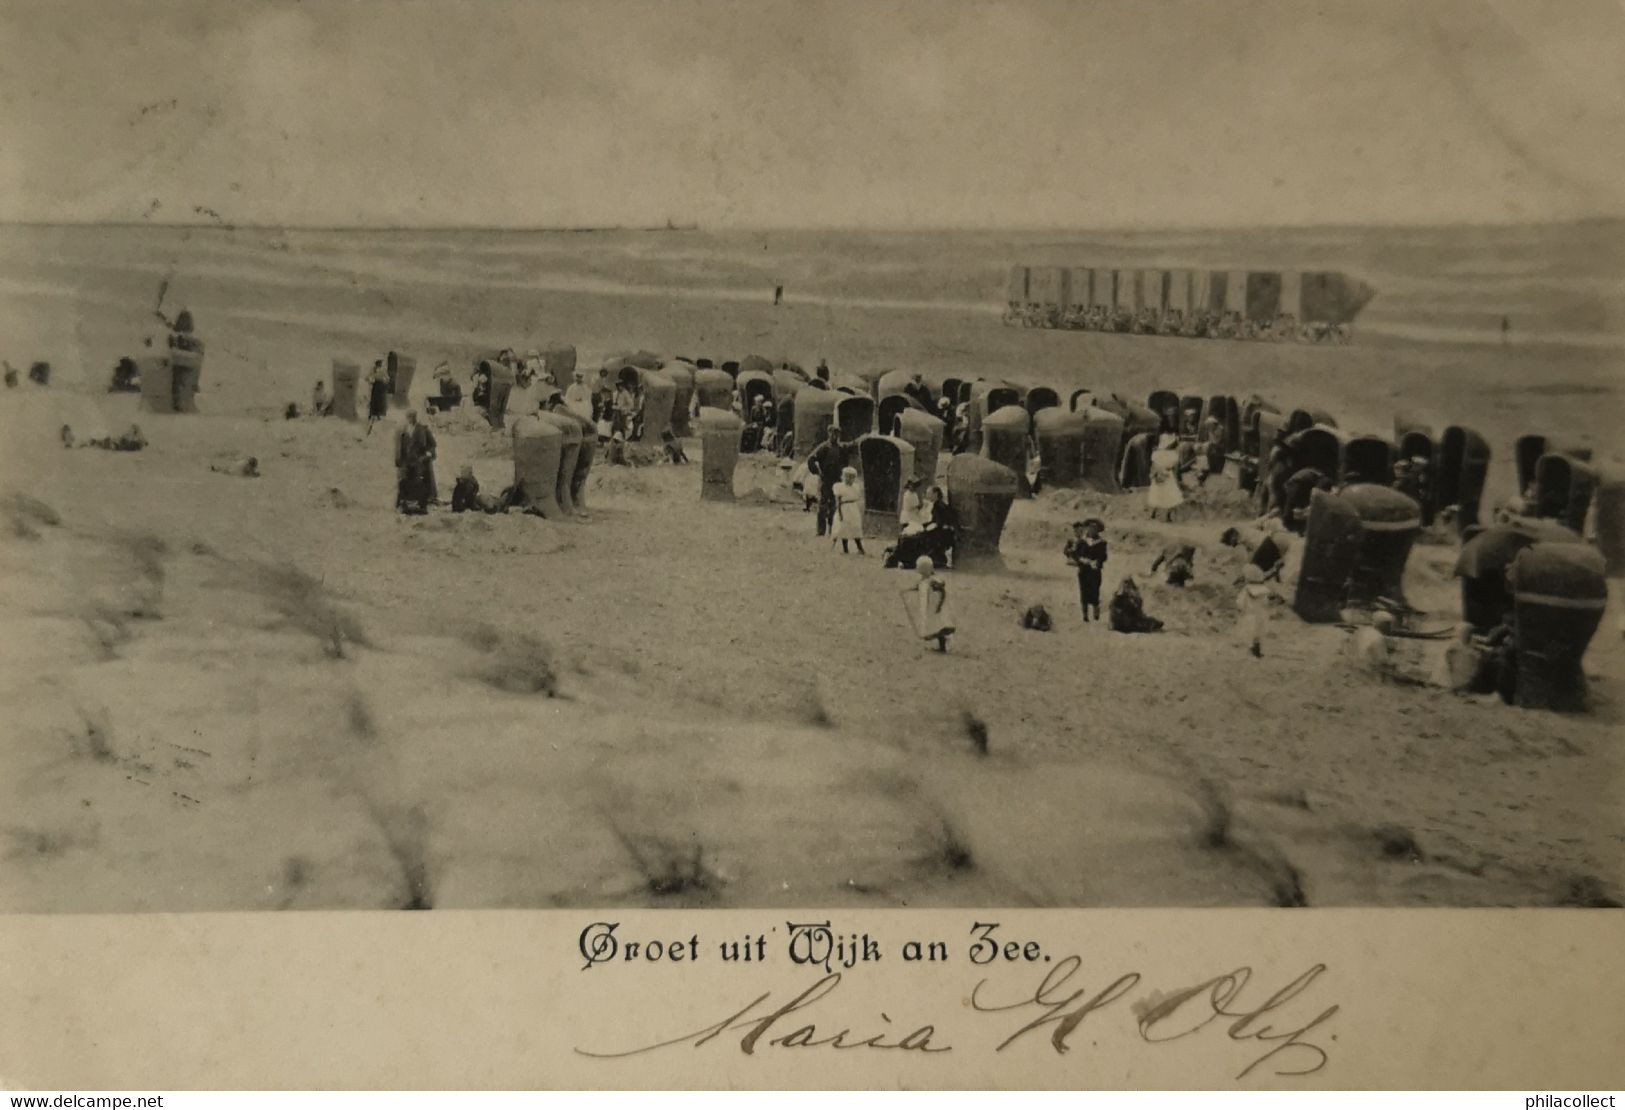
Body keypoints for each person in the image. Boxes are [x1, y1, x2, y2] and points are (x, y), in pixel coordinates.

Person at [901, 555, 955, 652]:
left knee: (939, 626)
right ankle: (941, 645)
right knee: (935, 626)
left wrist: (940, 604)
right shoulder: (923, 580)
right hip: (930, 607)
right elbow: (919, 587)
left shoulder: (933, 581)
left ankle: (942, 646)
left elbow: (942, 591)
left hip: (936, 607)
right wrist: (908, 590)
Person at [1063, 519, 1108, 622]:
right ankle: (1085, 615)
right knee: (1084, 592)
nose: (1092, 530)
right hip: (1084, 570)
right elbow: (1076, 554)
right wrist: (1082, 560)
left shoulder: (1101, 543)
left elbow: (1104, 557)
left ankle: (1096, 613)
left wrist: (1097, 562)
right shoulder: (1082, 542)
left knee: (1095, 591)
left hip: (1095, 571)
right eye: (1090, 528)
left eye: (1094, 529)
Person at [394, 409, 437, 514]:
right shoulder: (403, 430)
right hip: (407, 461)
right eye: (409, 416)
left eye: (413, 416)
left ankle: (421, 503)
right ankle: (404, 502)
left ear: (416, 417)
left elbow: (432, 444)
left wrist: (428, 453)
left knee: (419, 481)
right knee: (404, 481)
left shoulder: (423, 429)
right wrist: (399, 460)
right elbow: (400, 447)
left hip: (419, 460)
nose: (411, 419)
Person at [808, 425, 847, 537]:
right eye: (832, 433)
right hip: (825, 480)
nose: (835, 436)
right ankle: (821, 531)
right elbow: (811, 459)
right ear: (828, 433)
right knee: (823, 505)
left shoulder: (841, 448)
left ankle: (833, 530)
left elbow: (845, 463)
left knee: (835, 506)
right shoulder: (824, 447)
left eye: (837, 433)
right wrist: (817, 472)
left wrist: (843, 474)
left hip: (837, 481)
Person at [1236, 563, 1279, 657]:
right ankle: (1257, 648)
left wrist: (1240, 609)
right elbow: (1266, 602)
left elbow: (1240, 601)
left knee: (1249, 632)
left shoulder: (1246, 590)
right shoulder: (1264, 590)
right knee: (1259, 633)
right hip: (1261, 614)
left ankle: (1250, 649)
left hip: (1250, 614)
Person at [1147, 432, 1184, 521]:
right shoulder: (1173, 455)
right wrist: (1177, 479)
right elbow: (1175, 468)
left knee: (1157, 494)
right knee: (1171, 496)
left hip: (1158, 474)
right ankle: (1167, 516)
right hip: (1168, 475)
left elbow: (1153, 466)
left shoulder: (1156, 454)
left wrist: (1153, 475)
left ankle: (1153, 513)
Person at [830, 466, 865, 555]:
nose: (849, 479)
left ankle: (860, 547)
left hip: (853, 508)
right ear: (842, 476)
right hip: (844, 508)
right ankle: (845, 548)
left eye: (851, 477)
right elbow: (837, 501)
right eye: (847, 476)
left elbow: (858, 499)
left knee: (855, 526)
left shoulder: (856, 487)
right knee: (843, 528)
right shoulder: (839, 487)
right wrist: (840, 512)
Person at [365, 359, 390, 427]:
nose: (380, 364)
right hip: (375, 385)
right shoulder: (373, 369)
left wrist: (385, 382)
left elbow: (387, 378)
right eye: (379, 363)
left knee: (380, 401)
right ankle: (371, 414)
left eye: (380, 363)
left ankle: (378, 415)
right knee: (373, 400)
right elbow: (367, 377)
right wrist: (371, 380)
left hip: (381, 386)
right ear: (377, 364)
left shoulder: (383, 370)